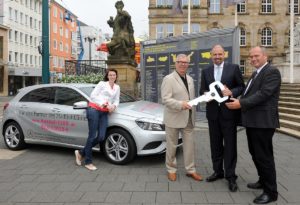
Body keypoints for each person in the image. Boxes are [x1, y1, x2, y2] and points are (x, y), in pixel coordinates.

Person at [226, 46, 281, 204]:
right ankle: (263, 181)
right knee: (255, 153)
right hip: (253, 122)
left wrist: (241, 103)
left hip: (263, 123)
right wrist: (234, 97)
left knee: (264, 157)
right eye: (251, 56)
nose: (253, 59)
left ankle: (271, 192)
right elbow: (248, 93)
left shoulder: (271, 71)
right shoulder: (256, 73)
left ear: (265, 55)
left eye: (256, 55)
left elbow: (263, 94)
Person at [199, 44, 245, 192]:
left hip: (229, 114)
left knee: (230, 146)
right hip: (213, 114)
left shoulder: (234, 68)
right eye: (215, 55)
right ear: (211, 56)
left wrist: (231, 92)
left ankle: (231, 176)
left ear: (224, 54)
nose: (217, 57)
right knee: (215, 144)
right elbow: (203, 90)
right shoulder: (206, 71)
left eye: (220, 54)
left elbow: (241, 87)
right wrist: (207, 96)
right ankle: (218, 171)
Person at [161, 54, 202, 182]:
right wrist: (180, 104)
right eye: (180, 62)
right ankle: (171, 169)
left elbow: (191, 98)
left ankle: (190, 170)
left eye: (185, 62)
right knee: (172, 146)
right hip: (173, 117)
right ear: (176, 63)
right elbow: (165, 99)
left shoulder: (189, 79)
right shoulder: (169, 79)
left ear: (188, 64)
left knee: (189, 146)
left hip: (188, 117)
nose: (183, 64)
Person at [74, 69, 120, 171]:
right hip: (94, 109)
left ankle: (81, 152)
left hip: (104, 112)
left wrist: (114, 106)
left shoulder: (117, 87)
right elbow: (93, 96)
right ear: (107, 76)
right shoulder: (102, 84)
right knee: (92, 136)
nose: (112, 76)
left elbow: (116, 100)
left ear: (116, 77)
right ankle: (88, 162)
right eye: (110, 75)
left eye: (114, 75)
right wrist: (104, 103)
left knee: (101, 137)